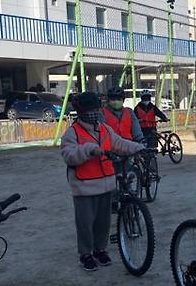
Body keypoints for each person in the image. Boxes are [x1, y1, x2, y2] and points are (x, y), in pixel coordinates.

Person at [60, 92, 145, 272]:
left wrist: (139, 147)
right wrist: (89, 150)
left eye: (96, 110)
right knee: (85, 223)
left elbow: (119, 143)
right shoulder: (72, 132)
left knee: (103, 223)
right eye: (91, 110)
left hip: (106, 184)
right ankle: (85, 254)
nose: (94, 113)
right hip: (84, 187)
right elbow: (68, 155)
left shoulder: (105, 129)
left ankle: (100, 250)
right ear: (82, 112)